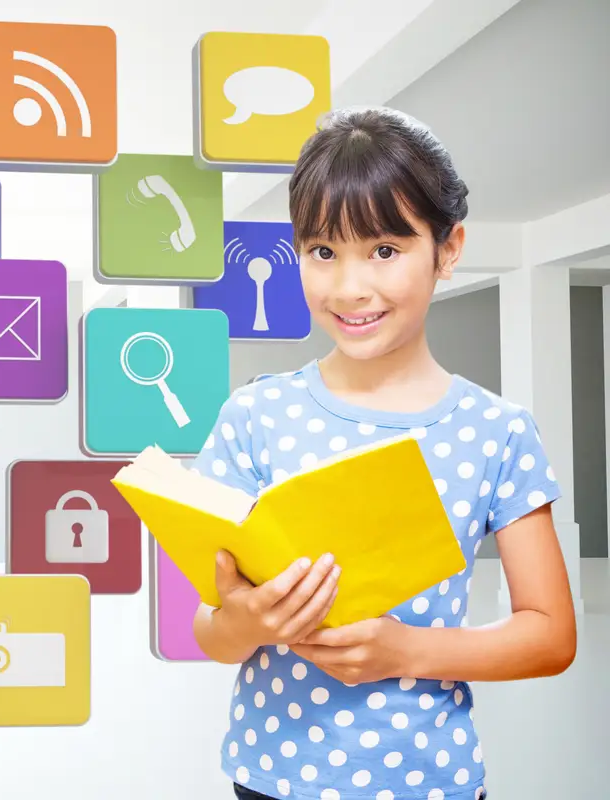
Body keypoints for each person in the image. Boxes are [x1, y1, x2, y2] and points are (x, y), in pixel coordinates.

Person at [191, 107, 577, 800]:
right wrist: (245, 623)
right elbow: (212, 637)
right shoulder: (254, 415)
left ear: (448, 248)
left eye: (385, 251)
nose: (349, 288)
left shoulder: (498, 432)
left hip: (432, 784)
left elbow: (550, 636)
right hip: (269, 780)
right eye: (322, 252)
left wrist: (406, 651)